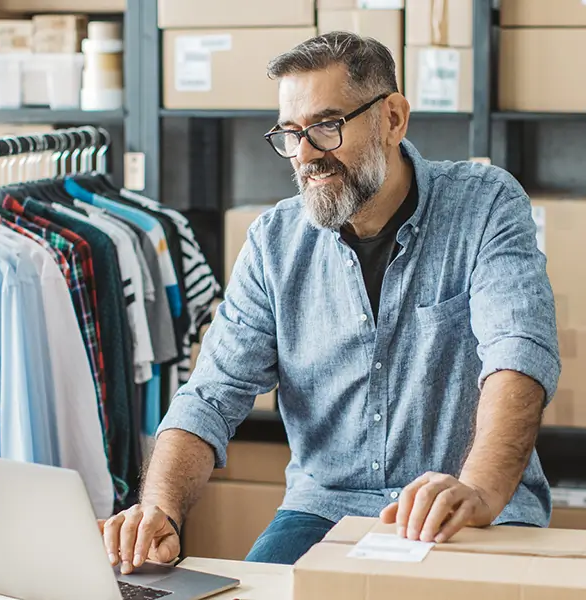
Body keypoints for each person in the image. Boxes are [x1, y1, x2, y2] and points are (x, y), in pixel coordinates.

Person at [100, 32, 560, 570]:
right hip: (324, 513)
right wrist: (159, 508)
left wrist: (480, 488)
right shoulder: (274, 242)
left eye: (326, 126)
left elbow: (518, 355)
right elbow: (210, 395)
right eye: (290, 134)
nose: (305, 155)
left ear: (393, 118)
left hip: (467, 508)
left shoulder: (485, 205)